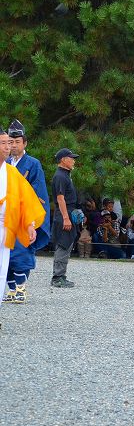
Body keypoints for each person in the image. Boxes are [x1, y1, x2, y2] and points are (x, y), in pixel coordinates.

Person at [0, 128, 46, 316]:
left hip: (14, 219)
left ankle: (19, 288)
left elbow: (30, 195)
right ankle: (12, 288)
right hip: (5, 218)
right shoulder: (8, 165)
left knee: (16, 255)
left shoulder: (27, 165)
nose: (10, 147)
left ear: (24, 143)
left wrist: (30, 222)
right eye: (7, 143)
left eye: (14, 142)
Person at [51, 148, 79, 287]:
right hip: (63, 214)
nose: (73, 160)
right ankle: (57, 277)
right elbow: (60, 199)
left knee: (66, 244)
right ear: (63, 160)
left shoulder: (65, 175)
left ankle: (61, 275)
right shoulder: (60, 176)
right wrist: (66, 218)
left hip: (67, 212)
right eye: (71, 158)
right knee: (63, 244)